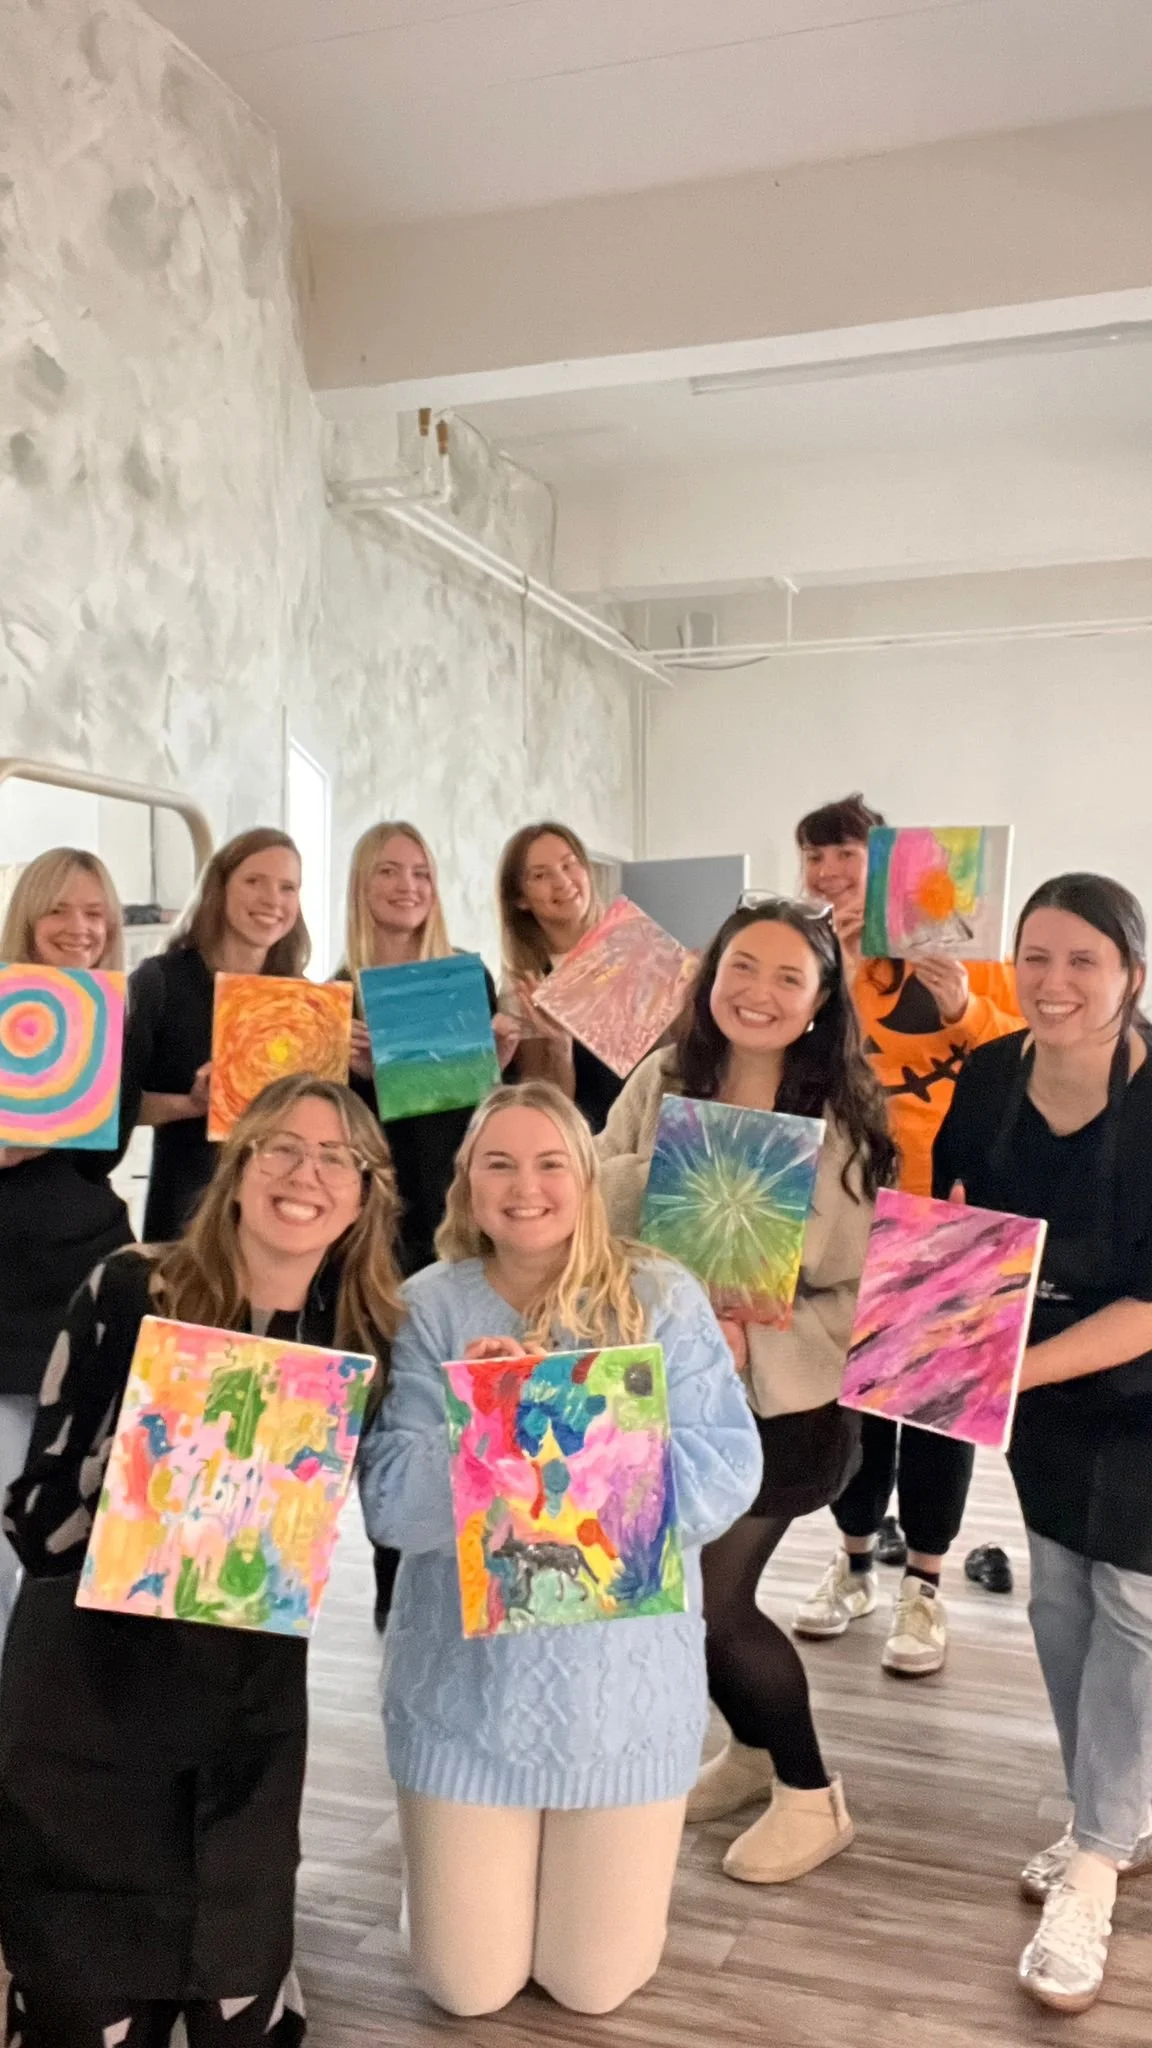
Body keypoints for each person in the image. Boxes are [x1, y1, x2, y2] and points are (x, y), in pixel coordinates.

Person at [0, 1075, 402, 2047]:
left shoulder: (364, 1336)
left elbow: (401, 1511)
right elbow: (34, 1518)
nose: (305, 1172)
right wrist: (143, 1452)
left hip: (246, 1704)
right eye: (282, 1147)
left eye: (335, 1156)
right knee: (83, 2012)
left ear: (362, 1195)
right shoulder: (128, 1286)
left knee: (233, 1995)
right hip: (91, 1694)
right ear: (239, 1166)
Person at [358, 1081, 760, 2016]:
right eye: (498, 1163)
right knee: (466, 1989)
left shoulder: (662, 1293)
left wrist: (545, 1428)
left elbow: (729, 1470)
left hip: (623, 1698)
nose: (525, 1186)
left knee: (592, 1986)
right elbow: (390, 1509)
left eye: (550, 1163)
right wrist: (482, 1433)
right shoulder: (427, 1306)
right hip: (464, 1699)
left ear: (586, 1180)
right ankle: (452, 1874)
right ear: (465, 1186)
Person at [597, 898, 895, 1883]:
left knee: (713, 1604)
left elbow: (855, 1283)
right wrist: (684, 1183)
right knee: (676, 1597)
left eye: (787, 977)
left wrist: (763, 1316)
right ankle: (755, 1751)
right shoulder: (662, 1074)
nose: (758, 992)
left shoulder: (840, 1117)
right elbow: (593, 1192)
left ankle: (812, 1793)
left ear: (818, 1001)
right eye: (741, 967)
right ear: (709, 973)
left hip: (782, 1409)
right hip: (662, 1388)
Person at [933, 874, 1152, 2014]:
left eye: (1085, 960)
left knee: (1132, 1604)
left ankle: (1098, 1860)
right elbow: (961, 1224)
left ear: (1133, 976)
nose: (1056, 982)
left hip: (1139, 1380)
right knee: (1057, 1596)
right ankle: (1105, 1813)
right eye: (1037, 957)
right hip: (1037, 1382)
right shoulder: (987, 1072)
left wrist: (1009, 1366)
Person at [792, 794, 1022, 1675]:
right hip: (847, 1210)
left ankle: (924, 1590)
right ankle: (852, 1567)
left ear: (887, 863)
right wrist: (841, 967)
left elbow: (1023, 1056)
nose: (829, 874)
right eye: (813, 858)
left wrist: (963, 1005)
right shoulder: (815, 958)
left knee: (937, 1417)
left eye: (845, 854)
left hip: (952, 1212)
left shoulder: (977, 950)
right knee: (853, 1408)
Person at [339, 819, 519, 1627]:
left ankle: (484, 1564)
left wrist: (498, 1059)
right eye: (389, 871)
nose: (407, 885)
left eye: (421, 871)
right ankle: (393, 1587)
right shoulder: (334, 992)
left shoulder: (464, 978)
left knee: (470, 1389)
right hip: (375, 1227)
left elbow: (482, 1108)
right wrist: (350, 1074)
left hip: (457, 1219)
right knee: (392, 1408)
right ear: (362, 884)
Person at [0, 848, 135, 1654]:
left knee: (71, 1507)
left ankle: (38, 1708)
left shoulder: (109, 1015)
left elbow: (101, 1148)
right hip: (9, 1285)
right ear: (29, 914)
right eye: (61, 910)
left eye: (95, 912)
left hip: (83, 1268)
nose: (80, 928)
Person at [125, 828, 309, 1242]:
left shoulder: (302, 998)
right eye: (254, 881)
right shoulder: (160, 982)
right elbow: (114, 1107)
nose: (272, 899)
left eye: (287, 887)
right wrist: (192, 1105)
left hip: (281, 1217)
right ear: (219, 888)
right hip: (187, 1214)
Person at [497, 821, 623, 1133]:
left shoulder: (636, 950)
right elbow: (547, 1114)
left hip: (660, 1139)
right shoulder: (522, 987)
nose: (562, 881)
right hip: (590, 1149)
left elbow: (678, 1063)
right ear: (520, 898)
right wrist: (559, 1045)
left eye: (570, 865)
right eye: (540, 875)